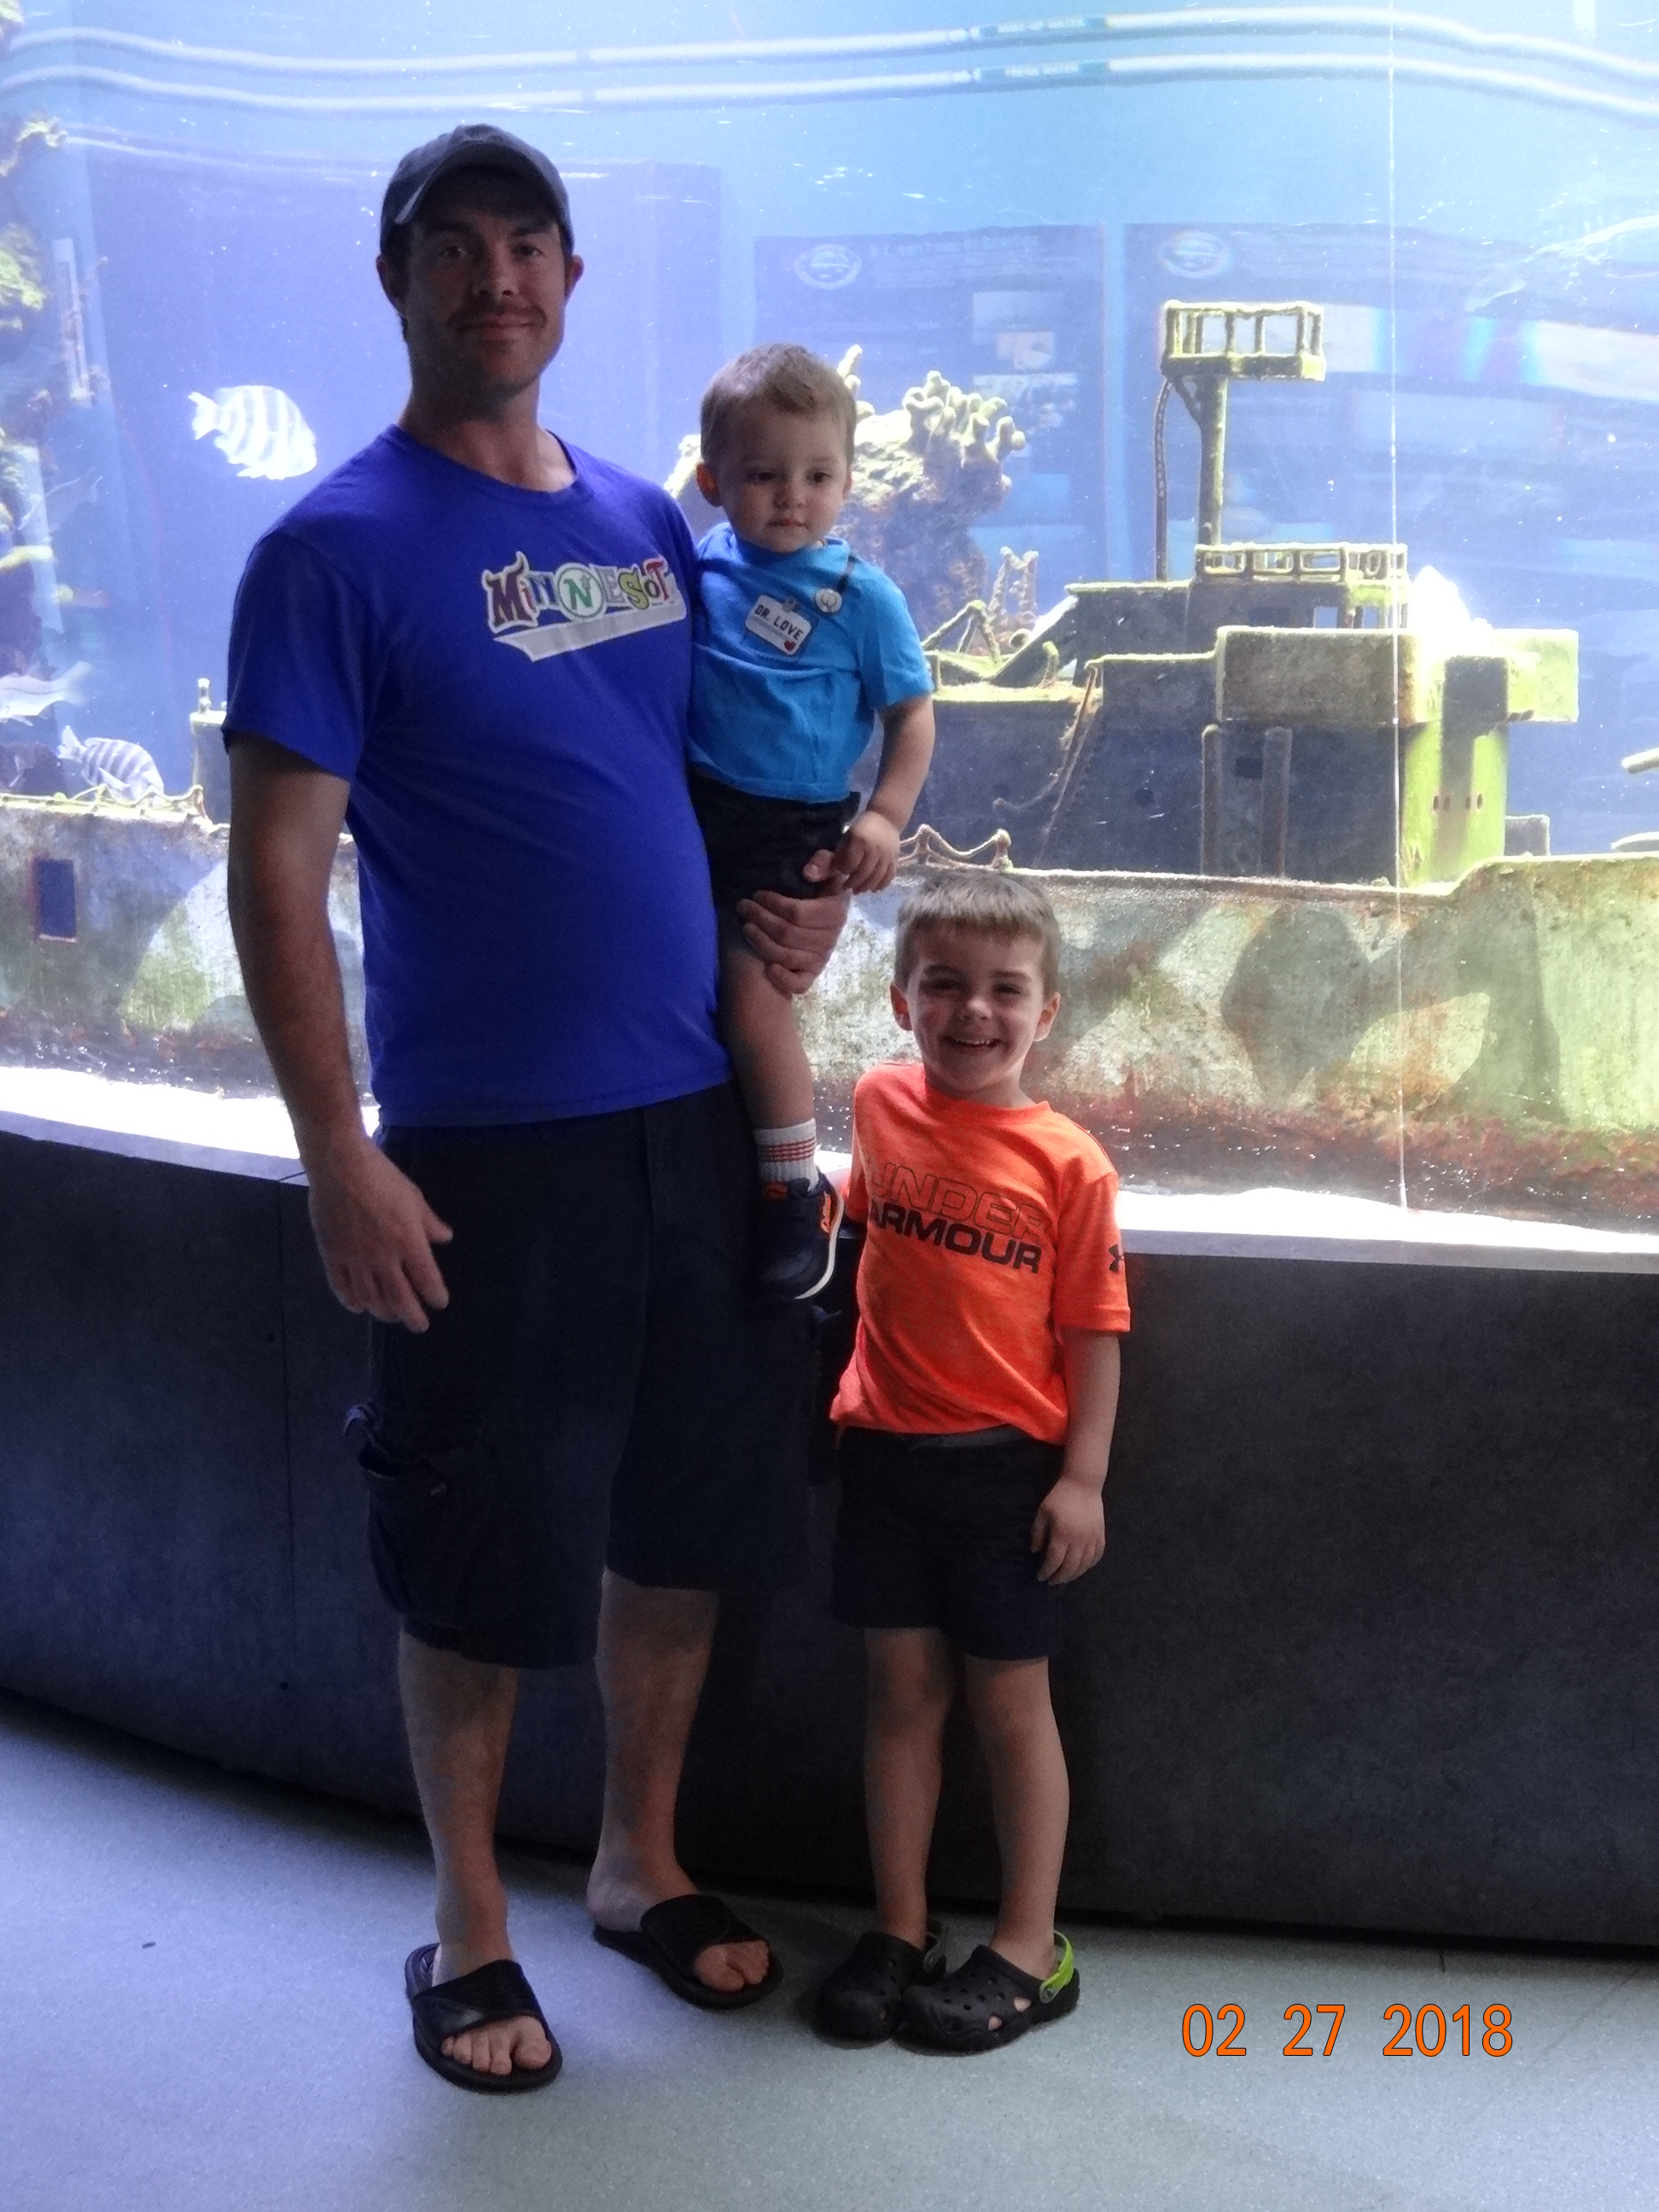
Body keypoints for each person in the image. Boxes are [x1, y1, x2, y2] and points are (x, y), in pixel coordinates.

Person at [224, 124, 847, 2094]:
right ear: (397, 280)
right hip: (486, 1148)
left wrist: (805, 900)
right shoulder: (330, 551)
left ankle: (635, 1857)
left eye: (528, 244)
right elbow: (276, 870)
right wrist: (338, 1149)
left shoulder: (650, 526)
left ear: (571, 280)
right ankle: (471, 1920)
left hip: (700, 1115)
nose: (496, 276)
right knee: (477, 1546)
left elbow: (707, 772)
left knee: (681, 1522)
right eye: (454, 245)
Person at [814, 870, 1129, 2053]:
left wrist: (1083, 1479)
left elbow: (1094, 1334)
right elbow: (860, 1232)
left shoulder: (1071, 1166)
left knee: (1009, 1706)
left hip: (1007, 1475)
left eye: (1005, 990)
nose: (974, 1012)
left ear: (1047, 1012)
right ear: (901, 1000)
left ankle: (1031, 1945)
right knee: (899, 1699)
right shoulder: (877, 1102)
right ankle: (901, 1926)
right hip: (884, 1460)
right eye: (944, 985)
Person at [689, 345, 935, 1300]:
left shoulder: (863, 599)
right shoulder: (700, 564)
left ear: (847, 481)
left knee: (754, 998)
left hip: (790, 824)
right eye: (764, 475)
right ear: (712, 482)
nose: (793, 497)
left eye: (818, 477)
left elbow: (912, 714)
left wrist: (885, 817)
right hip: (688, 803)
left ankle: (796, 1188)